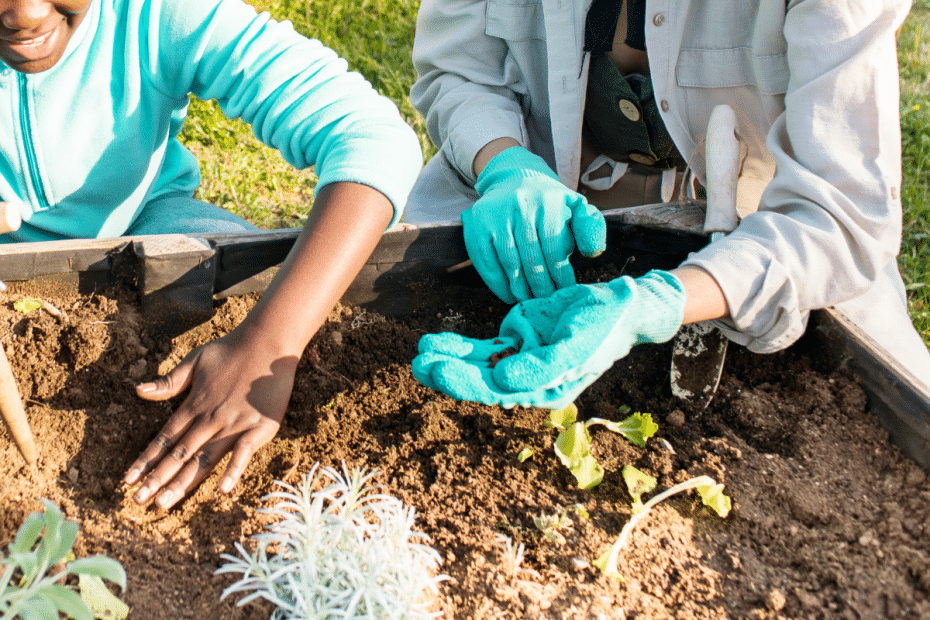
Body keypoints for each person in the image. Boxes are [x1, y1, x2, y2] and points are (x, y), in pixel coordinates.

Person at [0, 0, 422, 507]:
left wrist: (269, 341)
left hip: (150, 219)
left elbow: (370, 136)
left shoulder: (153, 14)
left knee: (270, 300)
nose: (23, 14)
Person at [406, 0, 930, 407]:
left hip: (766, 229)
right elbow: (458, 70)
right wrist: (504, 164)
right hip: (533, 179)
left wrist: (661, 304)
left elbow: (838, 212)